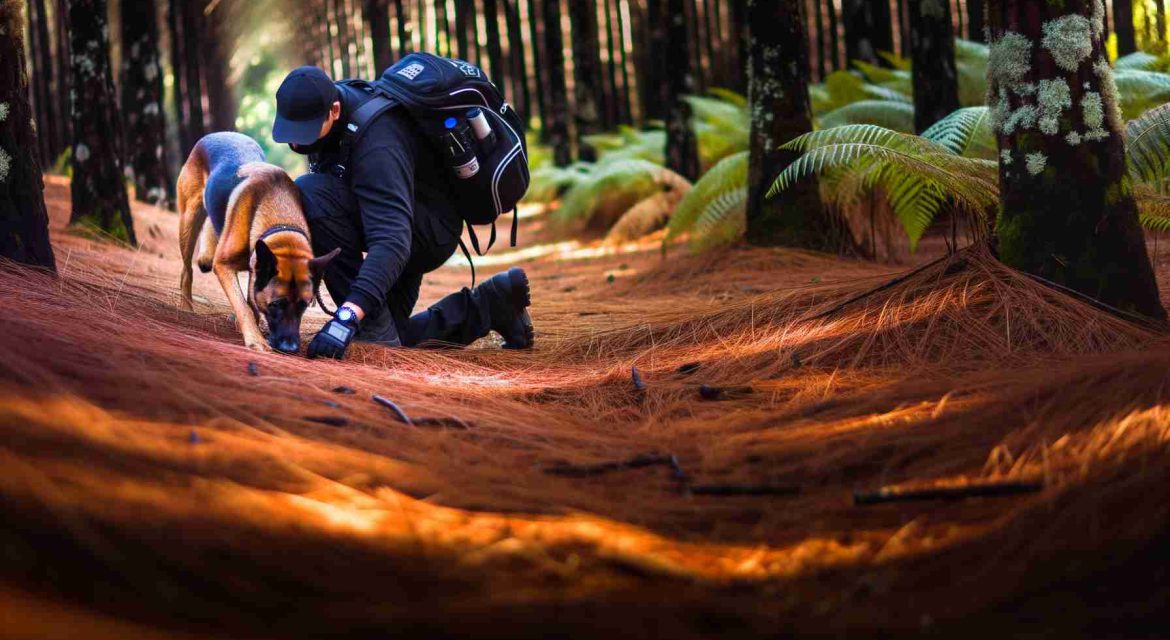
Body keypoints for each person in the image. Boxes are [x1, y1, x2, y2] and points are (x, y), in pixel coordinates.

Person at [271, 66, 534, 359]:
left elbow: (392, 240)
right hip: (398, 219)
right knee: (394, 336)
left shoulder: (376, 143)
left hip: (422, 234)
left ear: (334, 110)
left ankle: (369, 328)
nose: (296, 143)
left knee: (312, 193)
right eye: (290, 133)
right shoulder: (331, 108)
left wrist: (348, 316)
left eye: (304, 133)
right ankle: (491, 304)